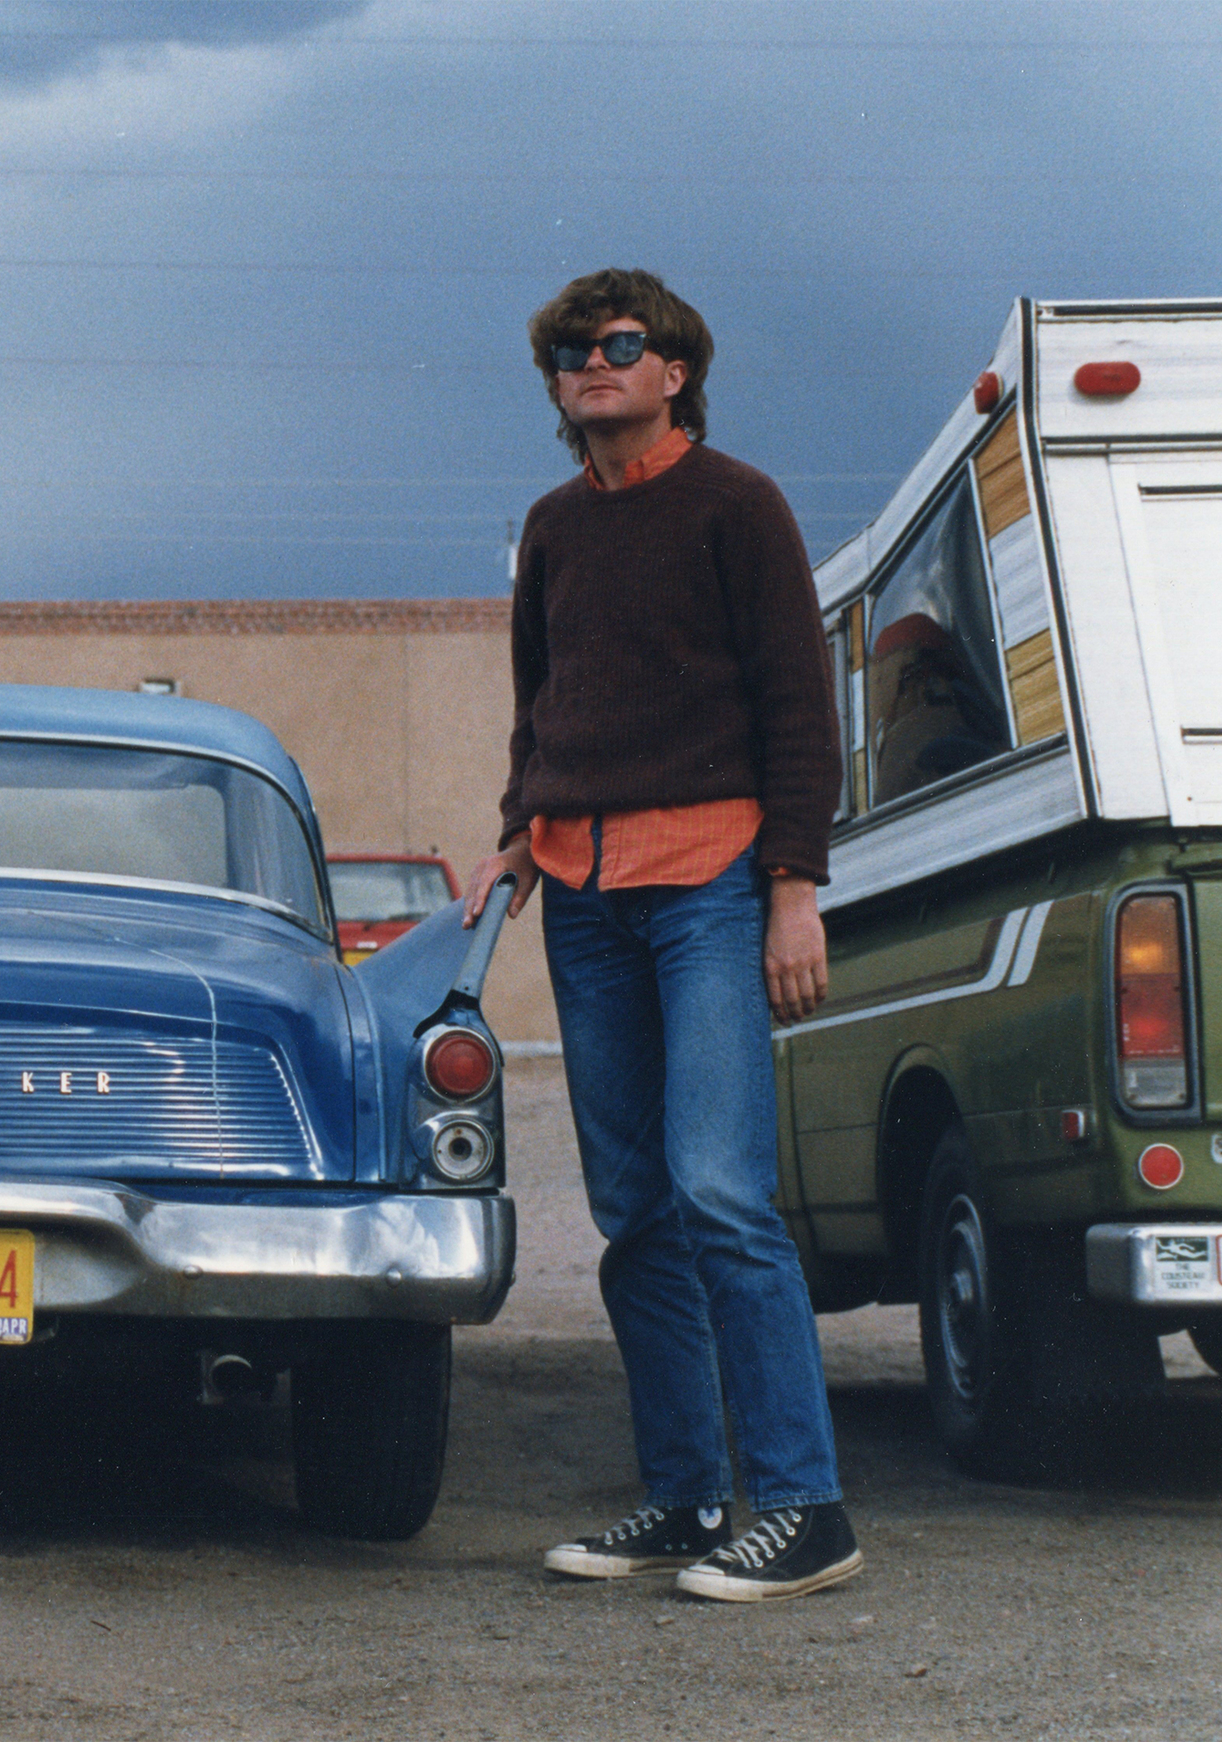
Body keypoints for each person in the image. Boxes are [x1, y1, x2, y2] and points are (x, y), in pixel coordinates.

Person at [461, 268, 860, 1602]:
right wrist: (522, 830)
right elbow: (545, 705)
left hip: (710, 885)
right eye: (569, 352)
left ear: (673, 367)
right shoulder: (552, 529)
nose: (592, 364)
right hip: (583, 893)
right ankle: (686, 1497)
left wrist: (793, 884)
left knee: (721, 1191)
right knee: (633, 1210)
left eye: (618, 345)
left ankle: (804, 1507)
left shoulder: (739, 507)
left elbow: (801, 708)